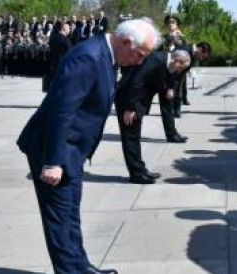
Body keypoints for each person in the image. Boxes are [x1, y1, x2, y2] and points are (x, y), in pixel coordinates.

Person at [16, 18, 160, 274]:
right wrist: (53, 161)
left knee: (70, 214)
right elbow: (61, 111)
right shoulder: (89, 57)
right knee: (60, 220)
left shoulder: (106, 55)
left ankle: (81, 267)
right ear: (126, 41)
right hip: (53, 148)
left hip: (72, 151)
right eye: (140, 55)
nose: (140, 61)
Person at [115, 49, 191, 183]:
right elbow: (137, 80)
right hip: (129, 98)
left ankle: (140, 169)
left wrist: (170, 87)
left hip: (136, 99)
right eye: (181, 68)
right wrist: (130, 107)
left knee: (134, 136)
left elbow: (170, 74)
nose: (179, 71)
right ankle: (137, 174)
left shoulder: (168, 61)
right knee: (131, 137)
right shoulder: (156, 59)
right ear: (177, 61)